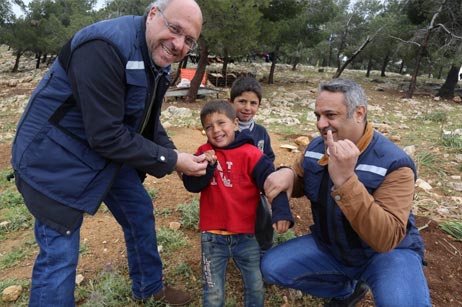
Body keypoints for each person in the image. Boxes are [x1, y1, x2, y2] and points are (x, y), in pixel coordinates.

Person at [10, 0, 207, 306]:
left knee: (138, 211)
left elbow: (145, 122)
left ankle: (149, 287)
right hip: (52, 158)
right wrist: (172, 161)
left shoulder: (155, 59)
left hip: (100, 153)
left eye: (189, 40)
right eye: (174, 29)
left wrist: (174, 155)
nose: (178, 44)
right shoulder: (104, 47)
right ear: (153, 14)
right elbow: (106, 135)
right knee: (60, 253)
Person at [261, 78, 431, 307]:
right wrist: (288, 173)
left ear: (359, 113)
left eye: (330, 115)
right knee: (272, 267)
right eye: (317, 116)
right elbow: (302, 178)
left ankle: (373, 279)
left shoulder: (395, 164)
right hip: (332, 246)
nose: (321, 124)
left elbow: (386, 239)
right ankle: (345, 291)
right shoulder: (315, 148)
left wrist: (346, 181)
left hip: (386, 254)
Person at [182, 99, 294, 307]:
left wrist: (281, 211)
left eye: (221, 123)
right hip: (212, 237)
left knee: (255, 286)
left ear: (234, 124)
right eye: (209, 126)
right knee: (213, 292)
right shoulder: (204, 152)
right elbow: (192, 185)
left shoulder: (251, 154)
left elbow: (272, 182)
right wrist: (206, 166)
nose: (215, 130)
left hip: (246, 236)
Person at [229, 76, 275, 252]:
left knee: (262, 218)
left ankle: (264, 251)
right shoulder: (225, 131)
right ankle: (231, 251)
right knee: (231, 221)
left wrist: (268, 178)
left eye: (253, 103)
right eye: (242, 101)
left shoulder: (261, 132)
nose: (247, 108)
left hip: (255, 190)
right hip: (231, 190)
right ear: (230, 102)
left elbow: (269, 157)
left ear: (259, 105)